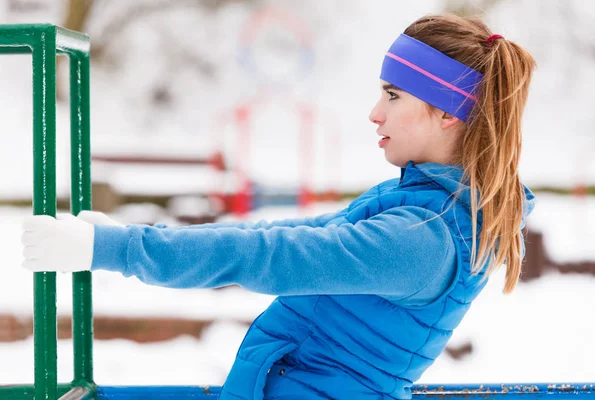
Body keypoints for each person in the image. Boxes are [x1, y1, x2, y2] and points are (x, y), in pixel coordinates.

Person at [21, 13, 537, 400]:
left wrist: (118, 248)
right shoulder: (420, 206)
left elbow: (273, 255)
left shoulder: (423, 236)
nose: (375, 113)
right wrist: (124, 237)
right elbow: (287, 235)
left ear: (447, 112)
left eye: (394, 95)